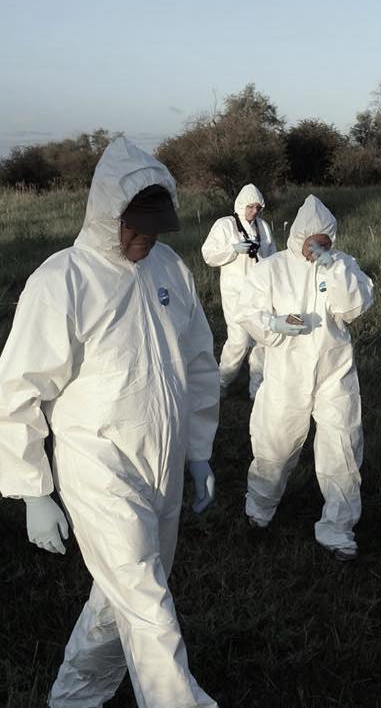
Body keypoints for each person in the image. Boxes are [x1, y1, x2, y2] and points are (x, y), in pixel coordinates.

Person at [0, 137, 219, 707]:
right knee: (148, 605)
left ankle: (73, 698)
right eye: (134, 226)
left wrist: (198, 451)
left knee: (123, 596)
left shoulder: (168, 268)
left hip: (163, 464)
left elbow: (198, 361)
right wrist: (32, 491)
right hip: (98, 464)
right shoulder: (64, 280)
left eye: (154, 227)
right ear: (105, 215)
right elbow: (18, 386)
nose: (143, 239)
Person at [236, 194, 374, 561]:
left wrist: (332, 266)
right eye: (311, 242)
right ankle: (259, 509)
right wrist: (275, 325)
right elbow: (248, 312)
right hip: (286, 372)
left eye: (324, 242)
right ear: (296, 238)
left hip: (334, 372)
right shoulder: (272, 268)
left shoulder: (342, 264)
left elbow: (354, 306)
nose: (315, 248)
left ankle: (338, 528)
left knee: (341, 447)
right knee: (276, 444)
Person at [201, 183, 276, 399]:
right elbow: (209, 255)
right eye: (250, 207)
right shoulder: (225, 225)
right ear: (241, 205)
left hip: (260, 292)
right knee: (239, 340)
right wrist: (233, 250)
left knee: (262, 339)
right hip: (235, 291)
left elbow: (272, 255)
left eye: (257, 208)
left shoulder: (263, 227)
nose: (254, 212)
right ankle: (221, 382)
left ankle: (257, 389)